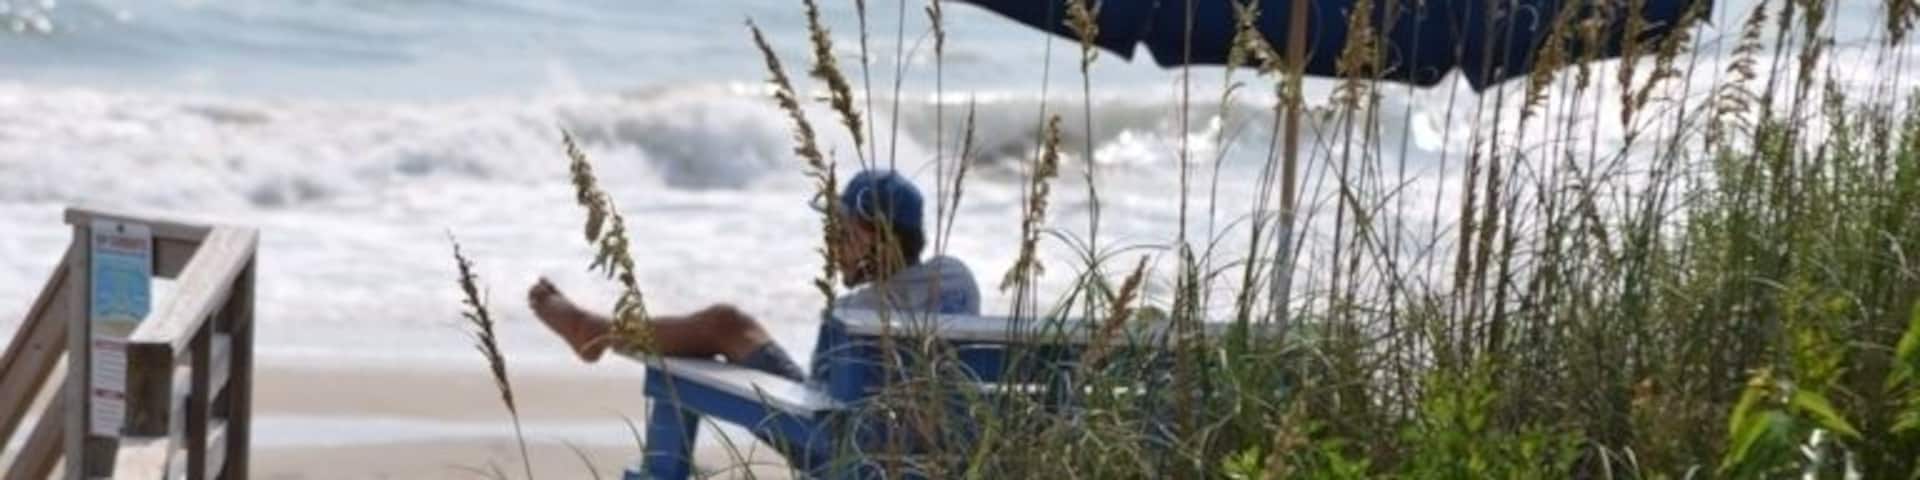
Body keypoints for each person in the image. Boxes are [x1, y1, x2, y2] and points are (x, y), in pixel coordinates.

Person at [527, 169, 981, 382]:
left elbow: (821, 397)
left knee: (726, 324)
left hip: (838, 450)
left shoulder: (854, 313)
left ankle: (598, 333)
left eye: (843, 233)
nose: (833, 245)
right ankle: (596, 331)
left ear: (880, 237)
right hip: (941, 451)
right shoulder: (959, 279)